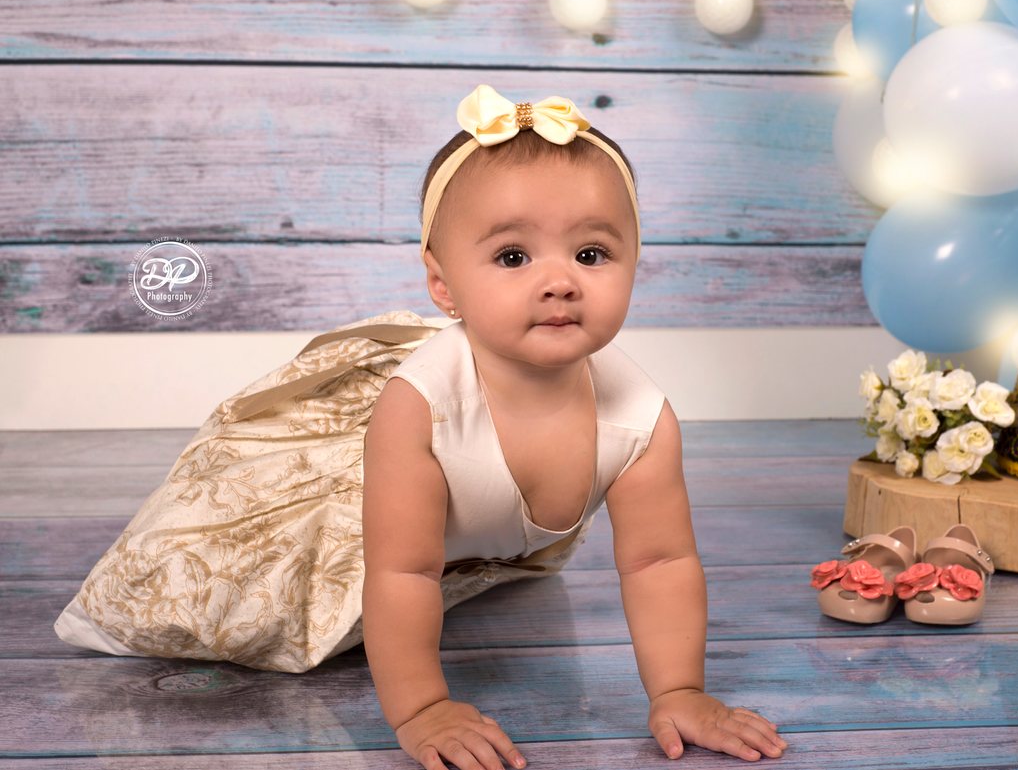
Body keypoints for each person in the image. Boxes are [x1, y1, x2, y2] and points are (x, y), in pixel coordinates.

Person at [53, 85, 786, 768]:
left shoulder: (641, 418)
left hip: (470, 536)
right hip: (347, 505)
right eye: (512, 256)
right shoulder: (421, 404)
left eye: (591, 253)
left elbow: (658, 562)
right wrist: (423, 708)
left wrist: (678, 689)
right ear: (443, 284)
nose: (560, 278)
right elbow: (402, 571)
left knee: (461, 569)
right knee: (243, 595)